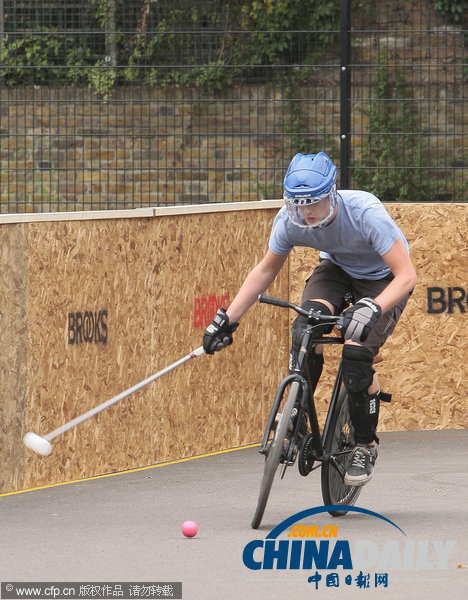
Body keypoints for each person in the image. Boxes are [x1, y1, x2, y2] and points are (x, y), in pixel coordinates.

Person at [203, 152, 417, 487]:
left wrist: (372, 308)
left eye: (314, 203)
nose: (307, 212)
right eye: (298, 204)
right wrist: (228, 320)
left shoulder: (364, 213)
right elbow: (265, 270)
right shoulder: (290, 221)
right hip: (336, 271)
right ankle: (298, 413)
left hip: (382, 280)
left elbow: (406, 276)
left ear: (332, 193)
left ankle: (365, 444)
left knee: (356, 354)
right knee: (307, 326)